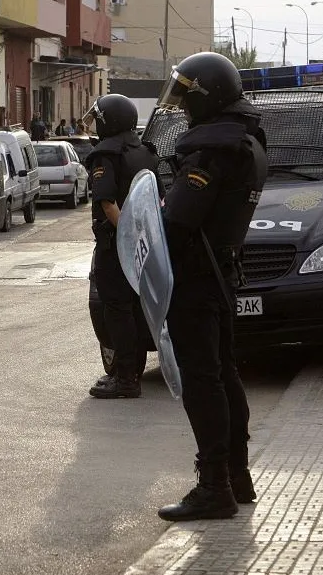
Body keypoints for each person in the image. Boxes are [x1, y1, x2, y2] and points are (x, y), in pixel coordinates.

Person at [153, 52, 268, 521]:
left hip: (195, 278)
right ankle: (237, 477)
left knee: (203, 382)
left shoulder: (212, 150)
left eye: (187, 97)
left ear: (209, 96)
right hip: (222, 272)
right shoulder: (245, 140)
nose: (181, 107)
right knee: (224, 375)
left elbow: (177, 221)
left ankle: (213, 486)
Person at [83, 94, 160, 399]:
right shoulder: (144, 151)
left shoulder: (106, 155)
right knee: (137, 310)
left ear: (106, 121)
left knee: (117, 311)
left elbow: (107, 203)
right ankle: (133, 372)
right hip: (145, 247)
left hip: (117, 248)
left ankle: (126, 379)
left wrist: (127, 238)